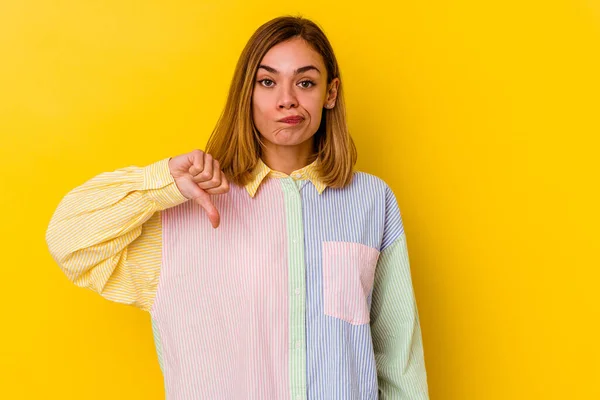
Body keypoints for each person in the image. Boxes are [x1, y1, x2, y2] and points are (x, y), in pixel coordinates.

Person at [45, 15, 430, 400]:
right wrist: (161, 183)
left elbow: (399, 361)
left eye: (305, 82)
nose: (287, 99)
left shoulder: (371, 201)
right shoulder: (185, 210)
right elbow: (69, 240)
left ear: (330, 93)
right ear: (246, 92)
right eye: (267, 82)